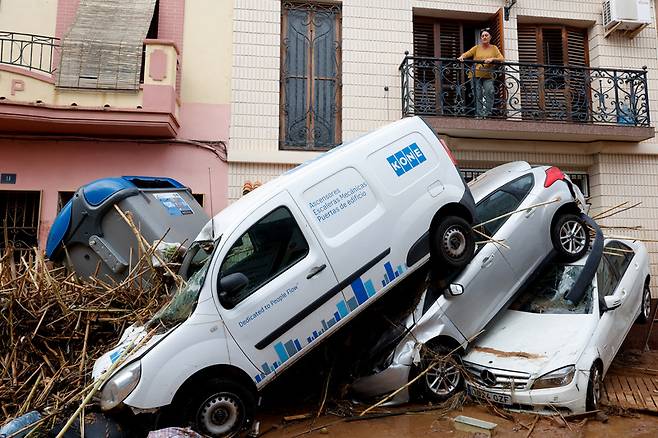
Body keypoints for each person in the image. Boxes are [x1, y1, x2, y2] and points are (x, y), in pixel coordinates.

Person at [458, 29, 505, 118]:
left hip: (488, 75)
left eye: (486, 35)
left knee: (490, 92)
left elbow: (502, 59)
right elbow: (467, 53)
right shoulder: (477, 47)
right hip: (476, 75)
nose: (484, 37)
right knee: (477, 94)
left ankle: (487, 114)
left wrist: (492, 59)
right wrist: (462, 56)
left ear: (490, 37)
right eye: (482, 36)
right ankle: (479, 115)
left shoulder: (494, 48)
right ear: (480, 38)